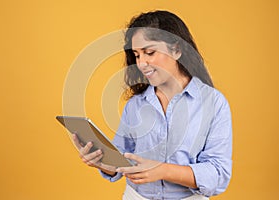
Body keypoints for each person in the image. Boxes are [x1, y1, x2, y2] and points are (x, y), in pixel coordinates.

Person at [73, 10, 232, 200]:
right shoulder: (135, 105)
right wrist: (102, 163)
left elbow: (218, 174)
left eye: (150, 52)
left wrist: (162, 170)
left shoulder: (213, 103)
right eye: (137, 55)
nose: (141, 63)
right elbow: (122, 161)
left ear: (177, 50)